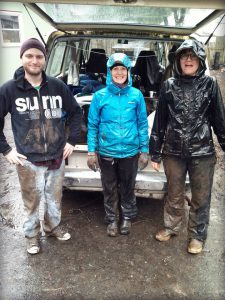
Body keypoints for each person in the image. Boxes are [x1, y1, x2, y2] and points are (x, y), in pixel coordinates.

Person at [0, 38, 81, 254]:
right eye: (30, 55)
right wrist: (6, 150)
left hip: (56, 157)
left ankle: (53, 227)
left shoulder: (57, 86)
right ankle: (32, 236)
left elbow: (76, 112)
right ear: (22, 58)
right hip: (28, 160)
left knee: (54, 198)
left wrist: (72, 140)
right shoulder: (9, 90)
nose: (34, 60)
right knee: (31, 201)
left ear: (45, 59)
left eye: (39, 56)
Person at [149, 39, 225, 254]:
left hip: (202, 151)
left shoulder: (210, 84)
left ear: (200, 60)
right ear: (178, 60)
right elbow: (160, 121)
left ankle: (197, 236)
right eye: (184, 56)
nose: (188, 59)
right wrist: (155, 152)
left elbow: (219, 119)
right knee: (174, 193)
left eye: (193, 56)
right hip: (173, 151)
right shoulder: (169, 85)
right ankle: (171, 227)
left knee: (201, 196)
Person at [87, 53, 149, 237]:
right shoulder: (99, 96)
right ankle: (112, 219)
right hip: (107, 152)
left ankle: (127, 217)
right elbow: (92, 125)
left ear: (128, 72)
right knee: (109, 187)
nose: (119, 73)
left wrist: (144, 150)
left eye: (123, 69)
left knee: (128, 186)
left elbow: (142, 124)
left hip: (130, 152)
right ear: (109, 72)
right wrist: (91, 151)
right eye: (116, 69)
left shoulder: (136, 95)